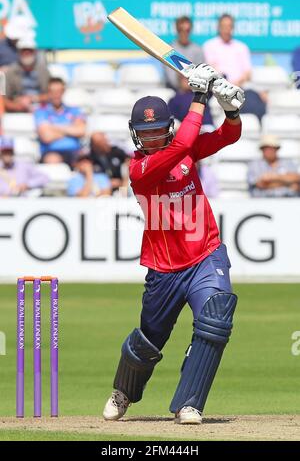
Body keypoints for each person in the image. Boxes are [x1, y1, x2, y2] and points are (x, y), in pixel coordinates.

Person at [103, 63, 245, 424]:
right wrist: (200, 95)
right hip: (164, 267)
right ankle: (125, 392)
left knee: (215, 319)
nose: (150, 139)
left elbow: (229, 136)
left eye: (155, 131)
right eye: (144, 133)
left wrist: (230, 110)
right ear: (135, 135)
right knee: (151, 337)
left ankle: (190, 403)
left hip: (205, 253)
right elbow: (183, 142)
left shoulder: (184, 150)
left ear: (165, 127)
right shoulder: (139, 170)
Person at [35, 77, 86, 166]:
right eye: (53, 92)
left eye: (59, 91)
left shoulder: (74, 110)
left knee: (87, 164)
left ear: (63, 92)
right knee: (53, 160)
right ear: (48, 93)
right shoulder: (41, 111)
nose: (56, 95)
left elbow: (81, 131)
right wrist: (70, 129)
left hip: (75, 152)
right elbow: (46, 136)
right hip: (52, 151)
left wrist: (53, 127)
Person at [4, 38, 50, 113]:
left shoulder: (43, 70)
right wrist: (18, 107)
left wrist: (33, 98)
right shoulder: (11, 72)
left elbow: (51, 94)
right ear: (19, 52)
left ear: (34, 52)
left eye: (29, 51)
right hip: (18, 111)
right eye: (23, 51)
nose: (26, 53)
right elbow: (4, 98)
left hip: (42, 110)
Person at [164, 16, 204, 90]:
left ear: (190, 30)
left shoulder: (197, 49)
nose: (184, 33)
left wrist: (190, 85)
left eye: (187, 30)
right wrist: (182, 85)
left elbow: (201, 74)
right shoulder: (169, 50)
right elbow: (171, 78)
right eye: (181, 30)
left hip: (194, 90)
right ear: (176, 30)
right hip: (175, 90)